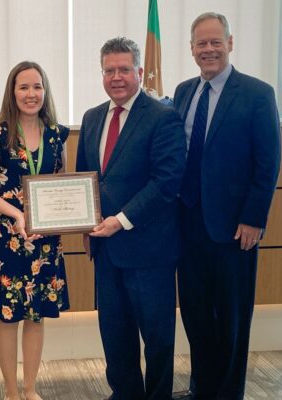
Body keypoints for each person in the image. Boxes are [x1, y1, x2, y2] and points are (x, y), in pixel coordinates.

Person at [172, 12, 281, 400]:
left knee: (232, 319)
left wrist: (254, 218)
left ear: (230, 44)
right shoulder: (183, 92)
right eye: (201, 43)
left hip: (235, 228)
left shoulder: (256, 93)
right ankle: (202, 388)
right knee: (197, 316)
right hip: (188, 223)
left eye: (216, 42)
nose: (208, 50)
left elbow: (268, 163)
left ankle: (227, 393)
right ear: (191, 49)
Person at [76, 37, 186, 400]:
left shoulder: (163, 117)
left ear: (140, 72)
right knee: (115, 333)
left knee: (156, 339)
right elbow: (85, 179)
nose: (117, 77)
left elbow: (167, 182)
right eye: (110, 70)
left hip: (148, 250)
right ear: (102, 73)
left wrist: (121, 220)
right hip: (106, 250)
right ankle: (124, 394)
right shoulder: (92, 118)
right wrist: (84, 222)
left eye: (125, 69)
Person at [0, 61, 70, 400]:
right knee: (9, 315)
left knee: (37, 315)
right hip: (8, 237)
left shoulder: (58, 134)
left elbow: (62, 183)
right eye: (24, 87)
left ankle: (31, 388)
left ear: (45, 91)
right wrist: (17, 214)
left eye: (37, 87)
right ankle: (11, 391)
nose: (31, 94)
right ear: (12, 92)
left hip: (43, 238)